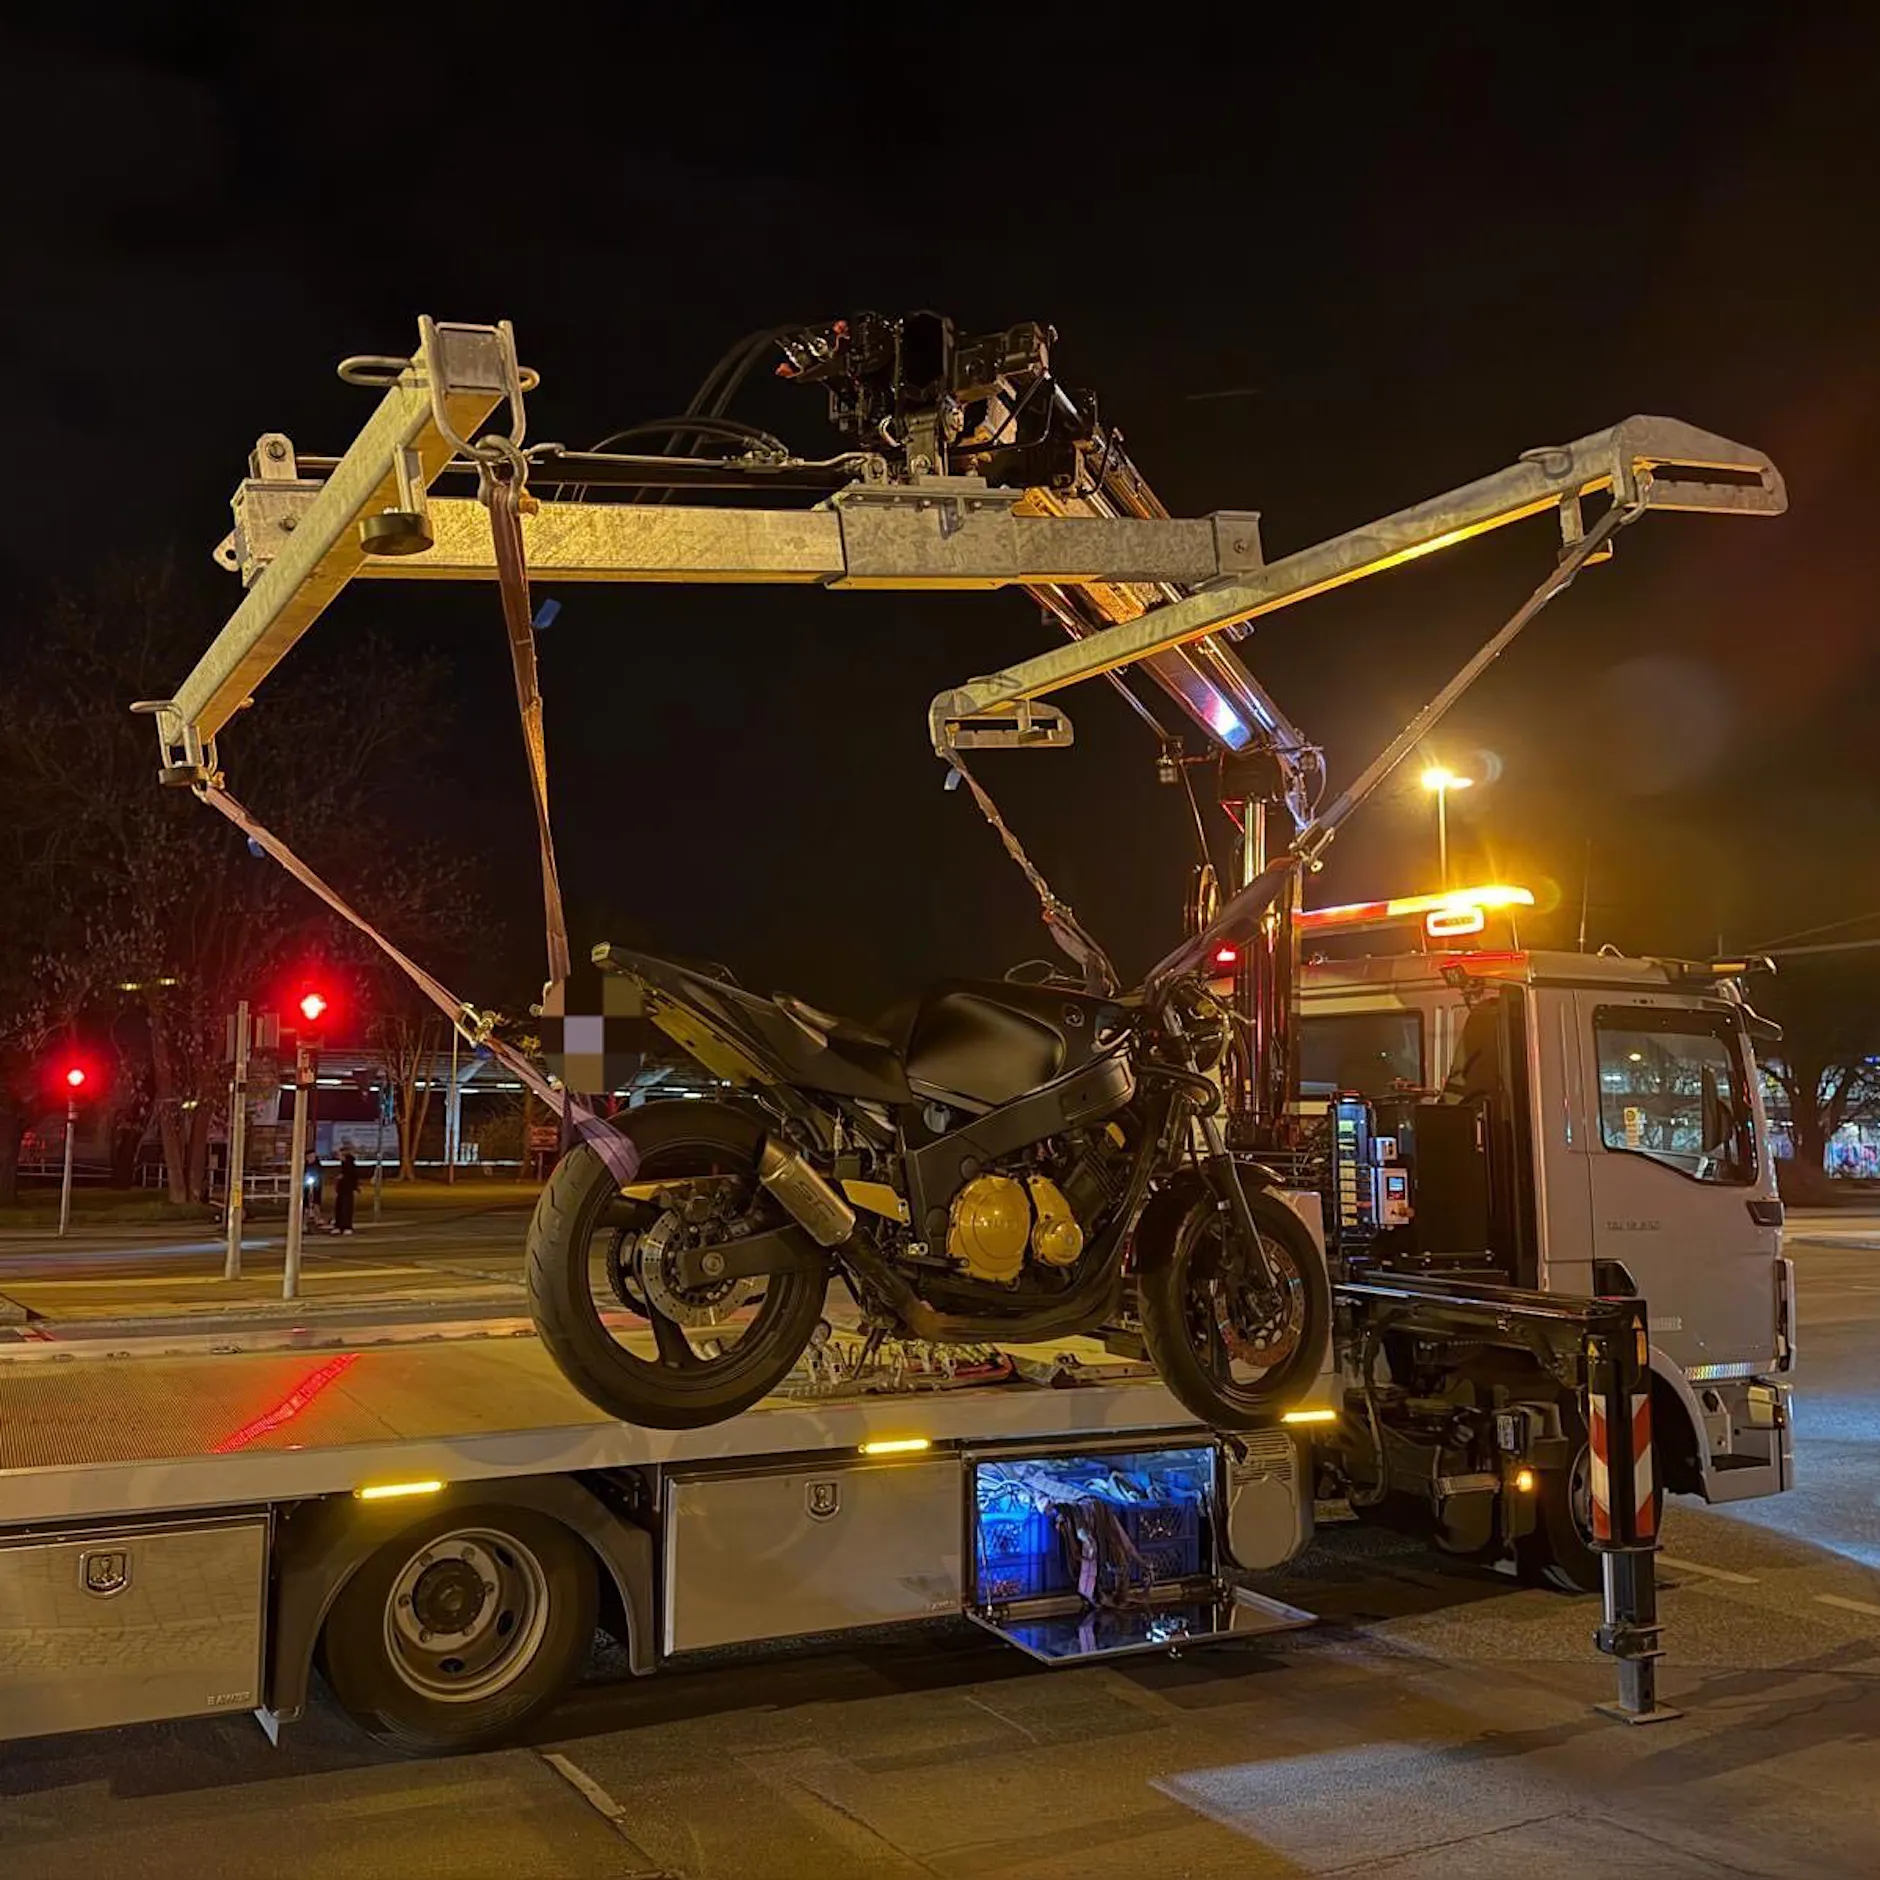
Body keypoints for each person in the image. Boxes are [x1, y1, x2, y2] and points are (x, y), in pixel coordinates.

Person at [331, 1149, 361, 1237]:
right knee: (340, 1207)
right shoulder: (344, 1164)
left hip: (347, 1190)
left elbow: (352, 1177)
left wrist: (353, 1187)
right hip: (342, 1189)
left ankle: (346, 1226)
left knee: (345, 1208)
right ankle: (339, 1225)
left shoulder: (349, 1165)